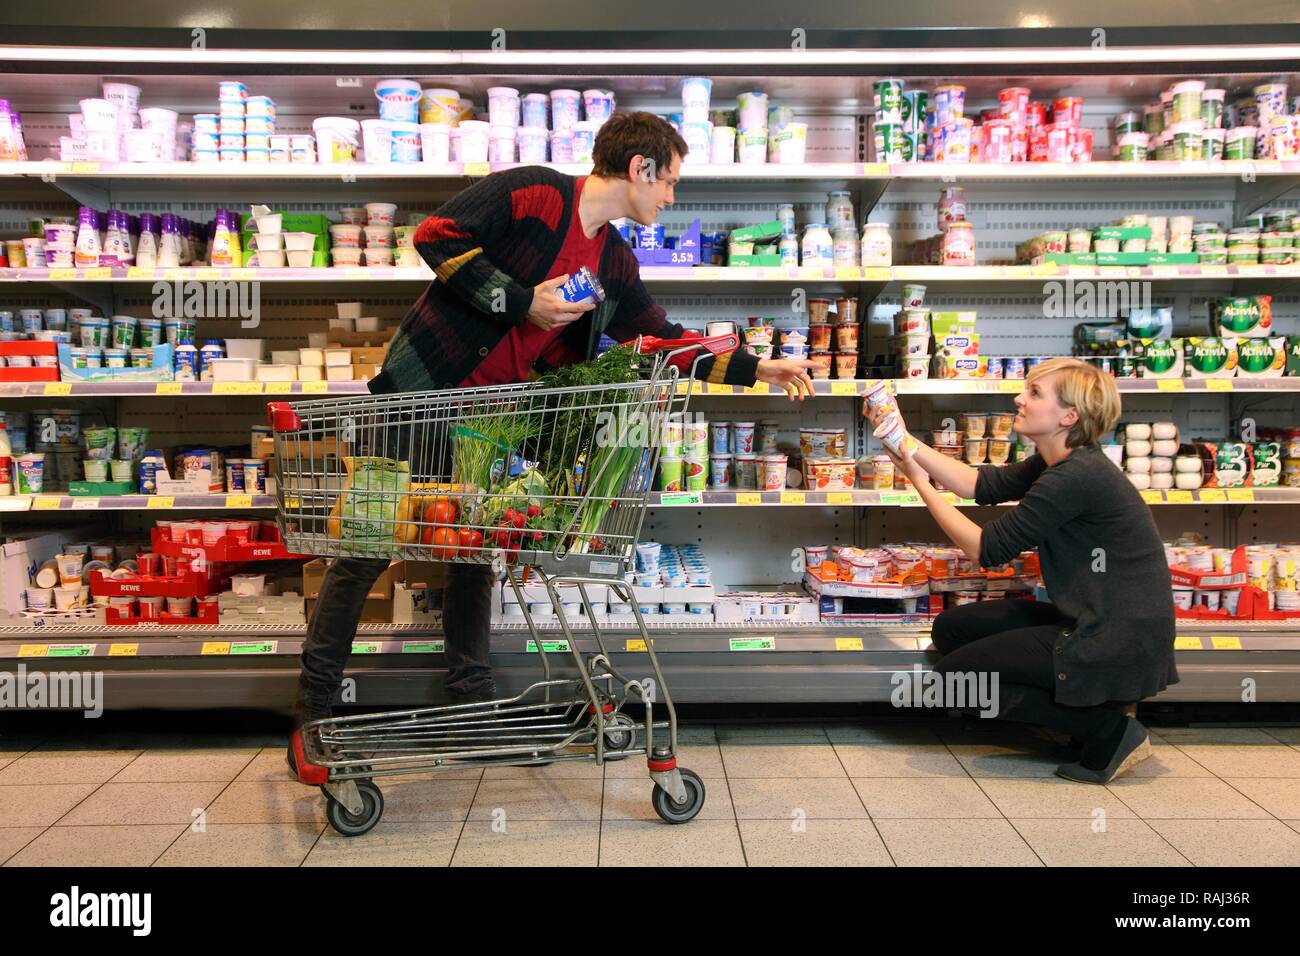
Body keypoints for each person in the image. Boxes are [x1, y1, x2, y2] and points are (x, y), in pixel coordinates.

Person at [291, 112, 817, 744]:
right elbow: (435, 234)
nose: (672, 197)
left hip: (495, 420)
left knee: (472, 553)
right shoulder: (536, 193)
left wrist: (759, 368)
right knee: (368, 546)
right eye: (670, 181)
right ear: (639, 168)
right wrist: (523, 301)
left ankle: (470, 693)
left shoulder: (613, 261)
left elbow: (660, 338)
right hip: (422, 394)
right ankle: (317, 701)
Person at [866, 357, 1177, 783]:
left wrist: (920, 484)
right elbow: (978, 485)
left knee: (953, 682)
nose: (1019, 398)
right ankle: (1089, 709)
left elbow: (986, 548)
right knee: (952, 630)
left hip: (1114, 637)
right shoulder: (1058, 461)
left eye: (1034, 393)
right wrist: (903, 439)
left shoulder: (1075, 476)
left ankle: (1106, 729)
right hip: (1092, 618)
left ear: (1069, 416)